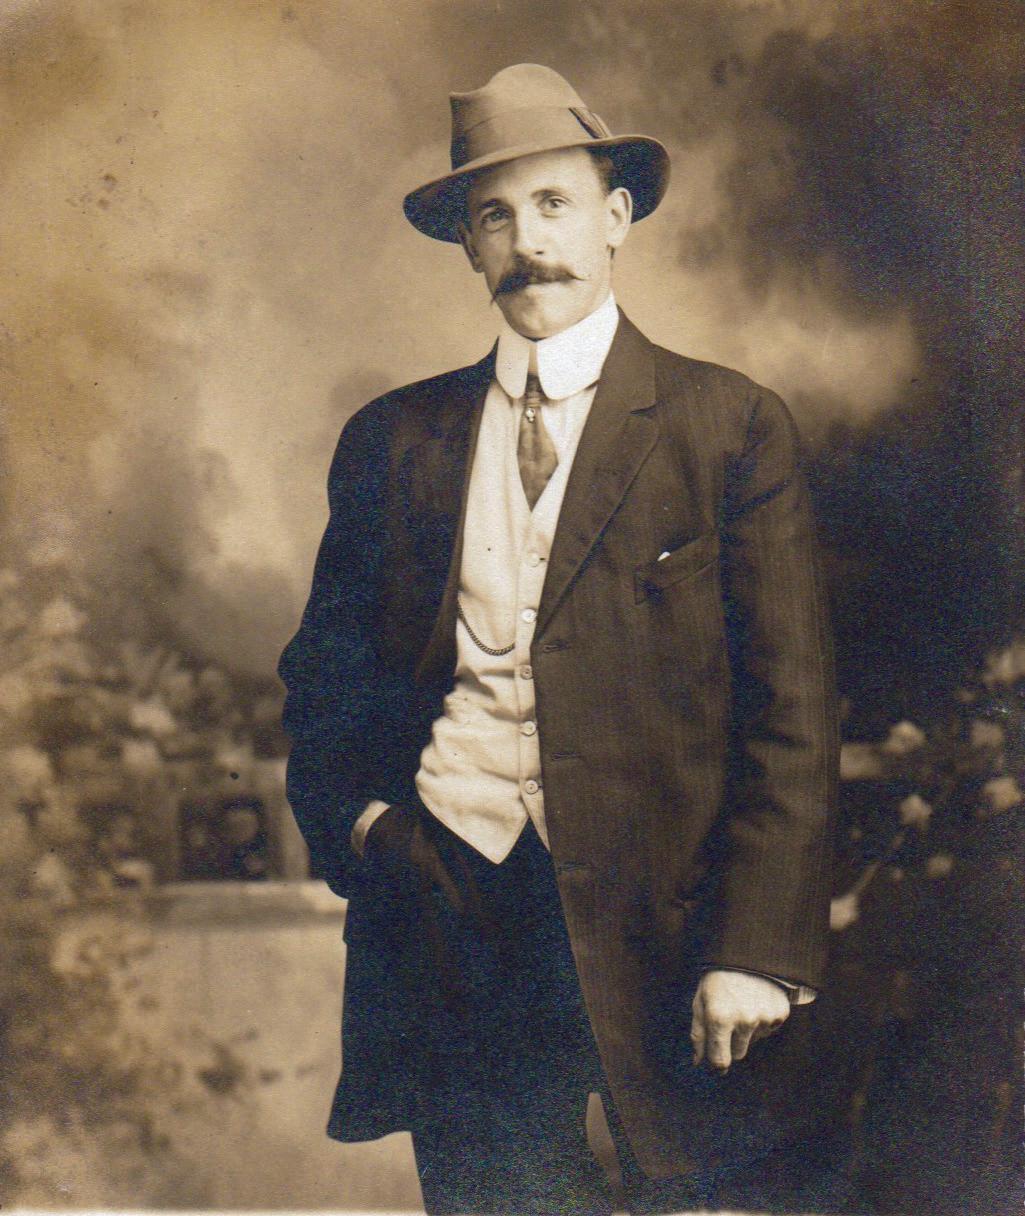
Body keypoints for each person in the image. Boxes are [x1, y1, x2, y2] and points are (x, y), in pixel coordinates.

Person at [279, 63, 839, 1216]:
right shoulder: (395, 438)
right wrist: (373, 830)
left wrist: (754, 947)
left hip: (666, 932)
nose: (527, 241)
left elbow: (790, 713)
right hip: (451, 914)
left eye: (553, 204)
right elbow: (323, 682)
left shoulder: (726, 425)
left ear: (615, 217)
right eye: (494, 215)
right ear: (467, 246)